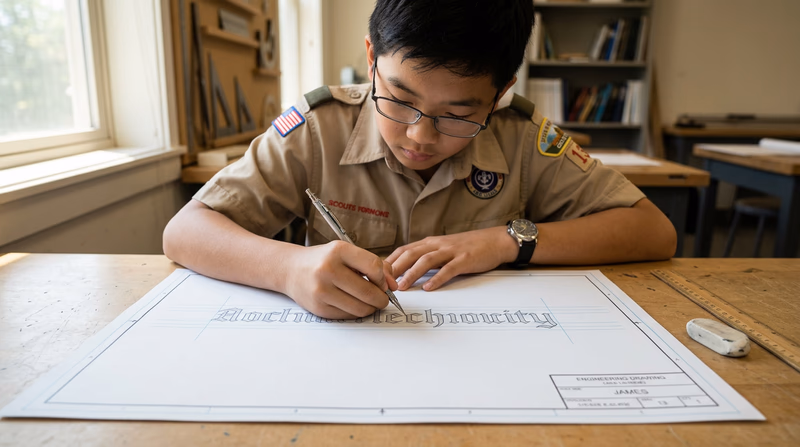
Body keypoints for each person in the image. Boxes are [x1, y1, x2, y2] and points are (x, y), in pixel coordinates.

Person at [163, 0, 676, 320]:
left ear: (500, 93)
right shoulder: (319, 126)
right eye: (400, 98)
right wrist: (288, 268)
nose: (419, 135)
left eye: (456, 114)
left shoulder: (521, 137)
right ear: (371, 58)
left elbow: (653, 231)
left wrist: (505, 241)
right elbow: (185, 231)